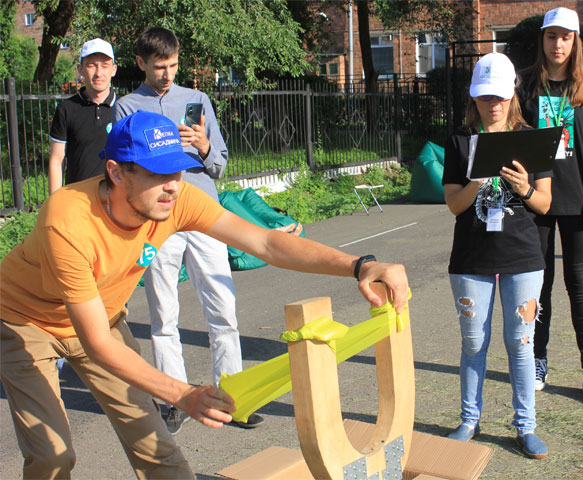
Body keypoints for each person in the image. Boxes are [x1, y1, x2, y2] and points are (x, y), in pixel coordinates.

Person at [0, 110, 409, 479]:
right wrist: (184, 393)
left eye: (176, 173)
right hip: (24, 322)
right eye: (157, 174)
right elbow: (97, 343)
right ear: (116, 172)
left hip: (101, 317)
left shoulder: (175, 199)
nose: (172, 187)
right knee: (53, 457)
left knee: (155, 444)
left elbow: (266, 243)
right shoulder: (68, 222)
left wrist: (359, 265)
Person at [113, 27, 255, 434]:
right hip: (159, 220)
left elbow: (221, 164)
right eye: (159, 67)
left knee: (222, 308)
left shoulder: (197, 100)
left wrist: (205, 146)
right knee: (163, 313)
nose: (167, 74)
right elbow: (125, 170)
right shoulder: (128, 108)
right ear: (140, 63)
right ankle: (172, 398)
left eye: (173, 65)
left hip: (204, 214)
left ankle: (232, 396)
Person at [442, 53, 552, 459]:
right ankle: (469, 420)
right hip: (471, 257)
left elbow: (544, 203)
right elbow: (454, 204)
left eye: (500, 96)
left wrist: (523, 188)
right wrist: (477, 180)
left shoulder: (532, 139)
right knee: (474, 343)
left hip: (522, 256)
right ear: (475, 97)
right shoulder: (459, 141)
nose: (493, 104)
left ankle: (525, 426)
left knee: (520, 343)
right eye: (485, 96)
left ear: (512, 96)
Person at [517, 7, 583, 404]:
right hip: (537, 200)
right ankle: (538, 359)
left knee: (581, 283)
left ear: (576, 42)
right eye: (551, 36)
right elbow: (516, 137)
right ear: (542, 40)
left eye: (566, 37)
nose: (558, 44)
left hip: (579, 201)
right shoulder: (525, 84)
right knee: (537, 285)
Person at [48, 38, 117, 194]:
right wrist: (54, 204)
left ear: (113, 69)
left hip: (116, 201)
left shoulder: (124, 108)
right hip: (76, 200)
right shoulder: (67, 108)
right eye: (91, 65)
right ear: (80, 69)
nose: (98, 73)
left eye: (104, 66)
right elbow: (56, 160)